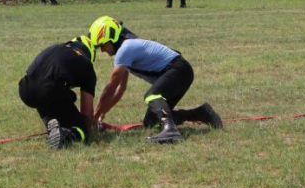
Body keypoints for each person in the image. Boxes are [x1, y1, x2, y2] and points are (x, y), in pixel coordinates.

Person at [89, 16, 223, 143]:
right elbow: (120, 89)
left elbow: (111, 86)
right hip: (182, 71)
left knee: (152, 96)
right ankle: (201, 113)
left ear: (112, 38)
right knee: (151, 123)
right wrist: (102, 114)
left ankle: (170, 131)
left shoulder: (126, 49)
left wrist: (94, 117)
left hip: (179, 70)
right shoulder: (125, 51)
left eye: (102, 45)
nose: (101, 50)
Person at [19, 36, 97, 150]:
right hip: (48, 90)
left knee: (47, 95)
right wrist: (89, 127)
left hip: (25, 89)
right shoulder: (87, 65)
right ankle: (66, 134)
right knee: (82, 128)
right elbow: (87, 114)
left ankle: (52, 126)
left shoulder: (55, 47)